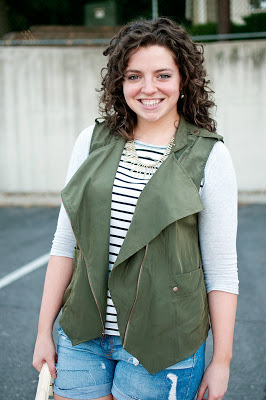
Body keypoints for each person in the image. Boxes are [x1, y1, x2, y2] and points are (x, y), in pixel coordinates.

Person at [33, 17, 238, 400]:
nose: (148, 89)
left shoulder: (210, 155)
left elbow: (222, 269)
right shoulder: (91, 142)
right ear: (119, 83)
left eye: (162, 75)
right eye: (133, 76)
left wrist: (222, 360)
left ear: (183, 81)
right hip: (84, 335)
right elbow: (65, 243)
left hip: (164, 345)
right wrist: (44, 331)